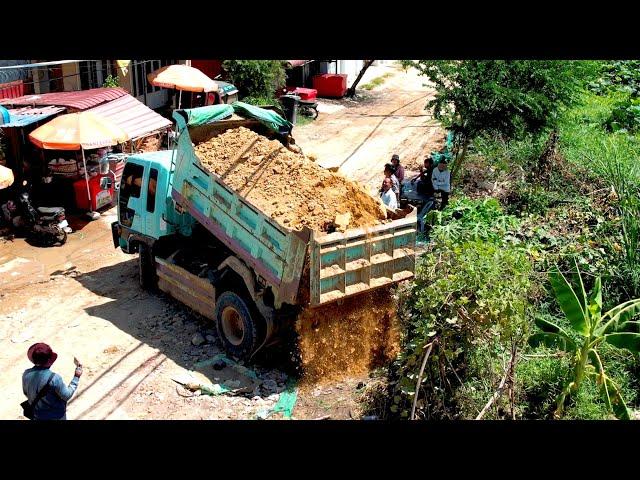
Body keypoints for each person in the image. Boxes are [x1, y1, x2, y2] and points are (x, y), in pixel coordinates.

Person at [22, 343, 82, 420]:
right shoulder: (54, 378)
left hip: (37, 415)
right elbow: (66, 396)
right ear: (49, 360)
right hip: (56, 416)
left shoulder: (26, 374)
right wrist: (76, 377)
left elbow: (26, 393)